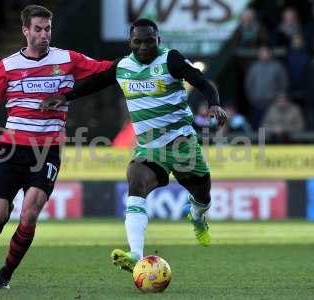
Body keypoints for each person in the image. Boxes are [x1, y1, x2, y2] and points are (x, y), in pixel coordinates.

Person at [0, 5, 111, 289]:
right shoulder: (8, 66)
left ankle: (5, 274)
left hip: (47, 152)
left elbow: (106, 69)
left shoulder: (68, 59)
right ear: (25, 31)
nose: (44, 34)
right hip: (10, 150)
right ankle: (2, 211)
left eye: (47, 29)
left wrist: (140, 59)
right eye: (38, 29)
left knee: (31, 212)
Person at [41, 19, 227, 273]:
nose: (143, 47)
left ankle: (196, 216)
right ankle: (135, 255)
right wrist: (64, 97)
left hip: (182, 144)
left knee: (202, 197)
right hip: (149, 148)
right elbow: (95, 83)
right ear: (130, 42)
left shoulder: (170, 60)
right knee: (135, 184)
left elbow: (200, 80)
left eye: (149, 41)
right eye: (137, 41)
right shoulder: (123, 66)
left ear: (158, 40)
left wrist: (214, 102)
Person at [245, 45, 288, 129]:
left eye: (265, 52)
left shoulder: (277, 66)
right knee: (257, 126)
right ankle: (258, 141)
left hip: (273, 103)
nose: (264, 55)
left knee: (272, 126)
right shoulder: (254, 67)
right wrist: (252, 97)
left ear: (270, 54)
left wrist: (279, 98)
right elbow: (248, 84)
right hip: (257, 102)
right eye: (261, 53)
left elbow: (283, 83)